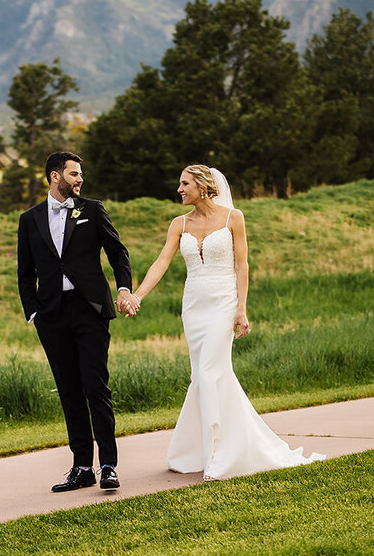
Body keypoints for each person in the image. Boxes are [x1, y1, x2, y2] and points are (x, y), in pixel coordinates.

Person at [117, 164, 325, 480]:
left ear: (202, 185)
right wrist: (138, 295)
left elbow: (242, 265)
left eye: (184, 184)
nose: (179, 190)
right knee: (202, 376)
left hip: (224, 302)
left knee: (209, 371)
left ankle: (218, 455)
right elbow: (162, 262)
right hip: (194, 306)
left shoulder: (233, 218)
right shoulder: (179, 223)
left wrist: (241, 308)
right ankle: (197, 451)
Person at [18, 151, 133, 492]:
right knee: (69, 392)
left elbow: (117, 252)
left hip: (90, 309)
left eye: (80, 174)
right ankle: (82, 466)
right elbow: (26, 272)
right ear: (55, 176)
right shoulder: (30, 219)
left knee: (94, 387)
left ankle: (108, 465)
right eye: (74, 174)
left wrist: (123, 287)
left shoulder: (92, 209)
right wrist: (34, 311)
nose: (80, 179)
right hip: (51, 316)